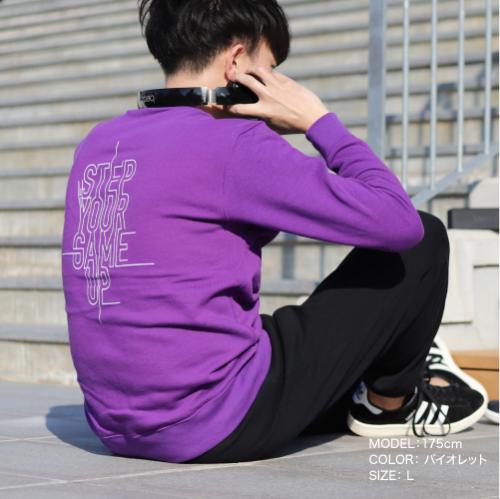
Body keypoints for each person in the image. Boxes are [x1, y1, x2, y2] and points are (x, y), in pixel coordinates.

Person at [61, 0, 487, 465]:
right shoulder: (233, 144)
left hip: (116, 424)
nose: (276, 84)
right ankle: (389, 405)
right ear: (237, 63)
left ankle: (372, 372)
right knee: (424, 241)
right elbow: (397, 221)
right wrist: (318, 123)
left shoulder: (98, 143)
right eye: (271, 69)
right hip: (215, 420)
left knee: (272, 332)